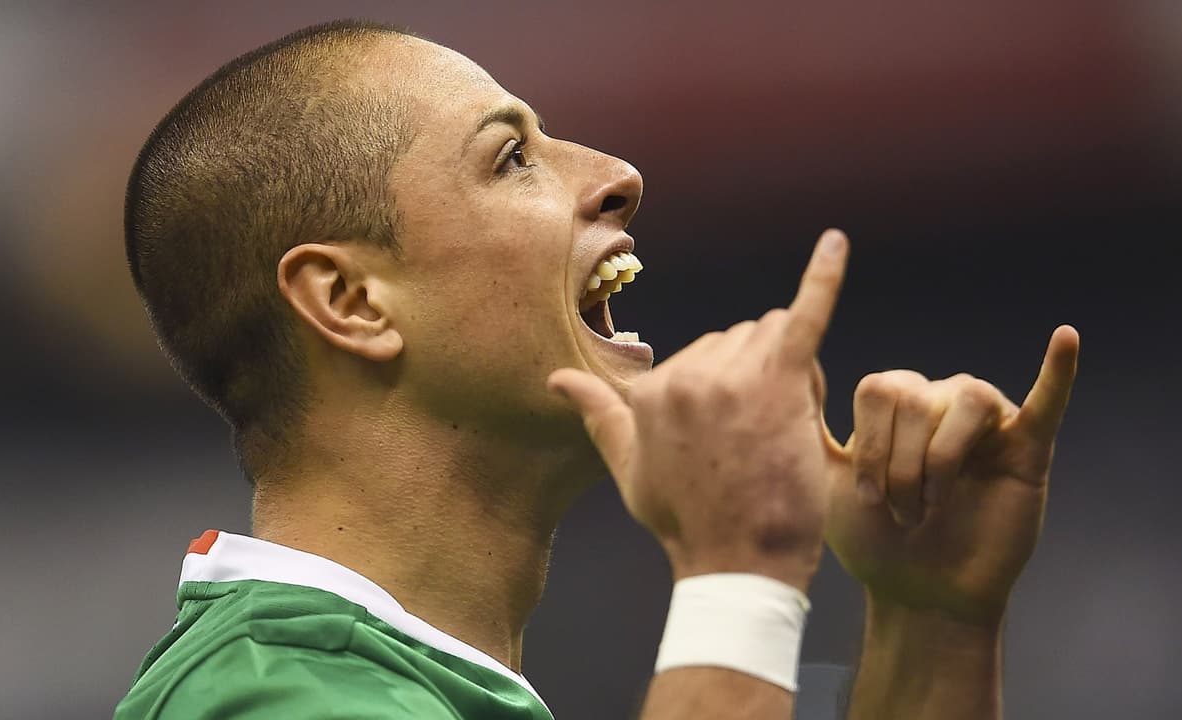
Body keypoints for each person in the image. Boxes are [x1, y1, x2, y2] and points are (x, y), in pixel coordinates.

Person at [114, 19, 1079, 720]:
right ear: (352, 302)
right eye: (511, 160)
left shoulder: (379, 685)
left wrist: (931, 621)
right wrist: (737, 570)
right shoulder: (273, 699)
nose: (618, 174)